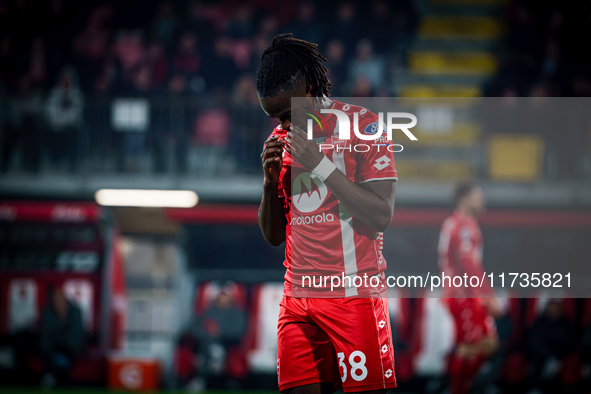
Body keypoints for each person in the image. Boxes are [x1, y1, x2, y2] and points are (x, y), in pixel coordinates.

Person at [257, 34, 397, 393]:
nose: (283, 125)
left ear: (307, 88)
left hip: (352, 297)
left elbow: (381, 215)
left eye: (286, 114)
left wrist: (319, 165)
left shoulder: (364, 126)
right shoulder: (282, 141)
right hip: (296, 302)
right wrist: (269, 182)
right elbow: (274, 236)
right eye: (275, 117)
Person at [437, 181, 501, 394]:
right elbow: (468, 264)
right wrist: (488, 295)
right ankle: (457, 389)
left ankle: (458, 387)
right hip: (464, 294)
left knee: (480, 345)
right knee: (475, 346)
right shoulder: (463, 225)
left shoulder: (456, 223)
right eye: (478, 195)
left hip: (460, 294)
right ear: (463, 198)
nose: (483, 199)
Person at [39, 286, 85, 388]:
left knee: (63, 356)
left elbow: (76, 336)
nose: (58, 302)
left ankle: (52, 377)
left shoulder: (75, 312)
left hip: (69, 347)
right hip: (52, 347)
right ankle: (54, 377)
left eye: (60, 299)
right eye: (56, 299)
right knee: (52, 355)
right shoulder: (48, 312)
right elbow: (46, 334)